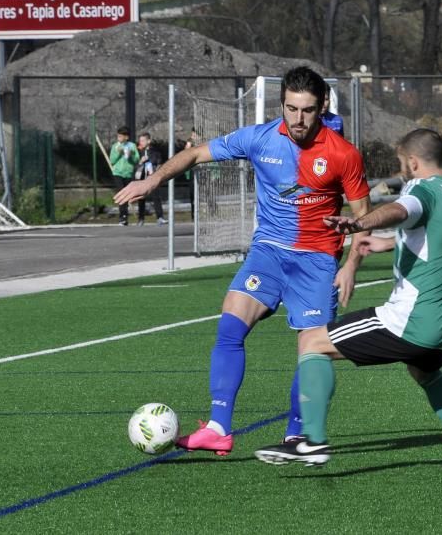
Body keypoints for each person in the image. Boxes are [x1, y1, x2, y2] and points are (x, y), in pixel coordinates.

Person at [115, 66, 371, 454]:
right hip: (268, 252)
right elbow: (197, 153)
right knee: (230, 325)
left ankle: (298, 434)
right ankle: (219, 427)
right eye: (291, 108)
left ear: (323, 107)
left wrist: (351, 264)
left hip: (317, 260)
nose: (298, 119)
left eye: (307, 110)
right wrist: (152, 181)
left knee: (313, 349)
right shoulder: (259, 138)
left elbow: (363, 217)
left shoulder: (343, 155)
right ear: (280, 103)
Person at [253, 128, 442, 470]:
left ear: (412, 162)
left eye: (401, 164)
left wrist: (358, 223)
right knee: (424, 372)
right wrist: (385, 242)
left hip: (414, 318)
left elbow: (400, 209)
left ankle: (313, 442)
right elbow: (435, 237)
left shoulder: (422, 190)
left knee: (311, 340)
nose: (402, 171)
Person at [134, 132, 167, 226]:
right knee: (141, 198)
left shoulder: (155, 152)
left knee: (156, 197)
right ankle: (141, 219)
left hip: (152, 178)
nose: (141, 142)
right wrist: (141, 162)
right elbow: (134, 166)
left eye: (143, 140)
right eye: (140, 141)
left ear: (148, 141)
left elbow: (160, 163)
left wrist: (156, 171)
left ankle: (160, 217)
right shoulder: (138, 152)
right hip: (141, 178)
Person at [109, 126, 139, 226]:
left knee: (127, 195)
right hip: (118, 173)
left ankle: (125, 216)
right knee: (121, 193)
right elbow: (112, 160)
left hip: (128, 173)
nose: (119, 138)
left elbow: (136, 160)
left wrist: (130, 156)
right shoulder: (115, 146)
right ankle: (122, 217)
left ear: (126, 137)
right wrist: (119, 153)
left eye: (121, 136)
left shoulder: (132, 146)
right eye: (118, 136)